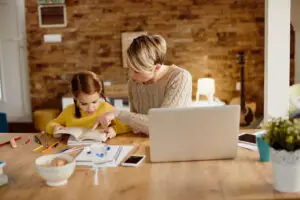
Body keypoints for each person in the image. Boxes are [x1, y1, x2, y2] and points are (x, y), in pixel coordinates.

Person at [92, 35, 192, 134]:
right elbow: (135, 122)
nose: (131, 75)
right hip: (143, 142)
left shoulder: (180, 78)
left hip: (176, 143)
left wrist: (118, 113)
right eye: (129, 68)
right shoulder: (134, 83)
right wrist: (115, 129)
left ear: (157, 67)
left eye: (137, 71)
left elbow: (163, 125)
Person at [46, 71, 131, 138]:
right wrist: (55, 128)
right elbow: (50, 124)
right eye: (84, 104)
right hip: (73, 151)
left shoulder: (106, 108)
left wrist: (114, 130)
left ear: (100, 95)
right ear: (76, 99)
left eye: (94, 102)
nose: (90, 108)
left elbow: (128, 125)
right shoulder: (69, 110)